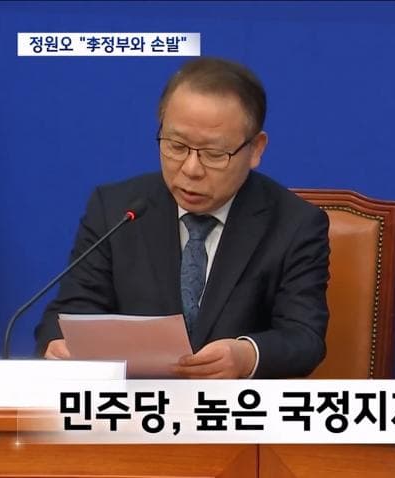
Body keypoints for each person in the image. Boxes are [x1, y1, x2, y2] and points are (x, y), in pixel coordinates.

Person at [34, 57, 330, 379]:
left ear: (256, 149)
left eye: (214, 154)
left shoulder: (295, 224)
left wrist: (247, 355)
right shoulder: (116, 209)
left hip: (232, 404)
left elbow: (304, 338)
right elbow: (71, 311)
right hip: (135, 401)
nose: (191, 169)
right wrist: (59, 344)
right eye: (176, 146)